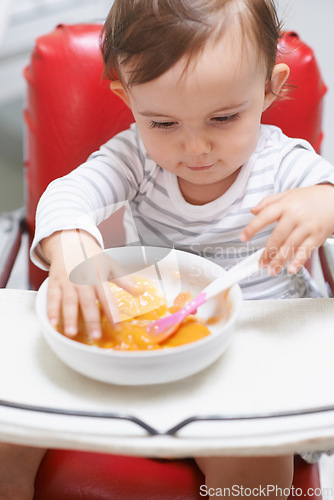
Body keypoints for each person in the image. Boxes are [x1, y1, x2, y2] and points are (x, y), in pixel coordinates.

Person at [2, 0, 334, 498]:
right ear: (127, 97)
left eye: (223, 117)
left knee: (256, 469)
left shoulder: (284, 164)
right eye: (162, 123)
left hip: (249, 361)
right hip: (142, 343)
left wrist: (324, 205)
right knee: (7, 437)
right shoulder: (135, 157)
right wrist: (70, 248)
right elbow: (67, 195)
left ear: (268, 89)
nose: (195, 148)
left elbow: (326, 195)